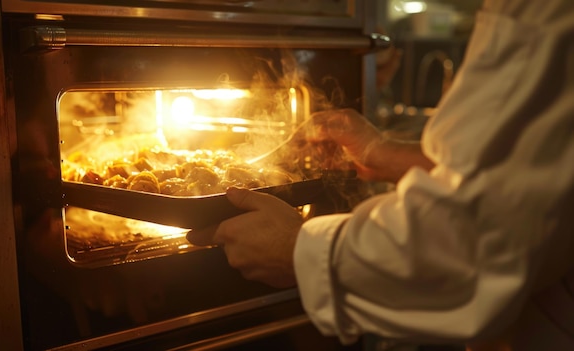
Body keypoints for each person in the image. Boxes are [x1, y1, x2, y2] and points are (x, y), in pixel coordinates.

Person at [187, 1, 574, 350]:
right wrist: (384, 155)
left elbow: (475, 245)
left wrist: (297, 250)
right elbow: (536, 172)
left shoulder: (542, 11)